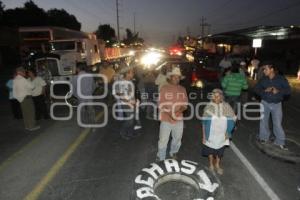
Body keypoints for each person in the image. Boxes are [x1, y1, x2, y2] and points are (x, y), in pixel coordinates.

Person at [254, 61, 291, 150]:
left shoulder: (281, 79)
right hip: (265, 103)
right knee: (263, 121)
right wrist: (264, 91)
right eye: (263, 69)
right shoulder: (263, 79)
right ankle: (264, 137)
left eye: (265, 69)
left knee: (277, 123)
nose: (264, 71)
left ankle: (280, 141)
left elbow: (288, 90)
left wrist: (279, 91)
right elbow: (256, 89)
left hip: (276, 104)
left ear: (271, 69)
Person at [156, 67, 188, 161]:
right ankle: (161, 156)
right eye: (174, 77)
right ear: (170, 77)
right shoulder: (164, 88)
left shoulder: (182, 89)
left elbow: (185, 104)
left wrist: (177, 112)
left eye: (178, 77)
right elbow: (160, 104)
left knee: (177, 138)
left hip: (178, 118)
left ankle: (173, 152)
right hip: (166, 118)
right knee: (163, 139)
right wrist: (170, 114)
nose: (176, 79)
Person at [202, 89, 236, 175]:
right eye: (214, 96)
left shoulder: (226, 106)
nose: (216, 97)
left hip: (222, 134)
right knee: (210, 150)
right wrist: (204, 136)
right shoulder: (208, 106)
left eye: (218, 96)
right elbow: (204, 123)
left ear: (221, 96)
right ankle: (211, 165)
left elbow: (233, 118)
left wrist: (228, 131)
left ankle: (217, 165)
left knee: (220, 151)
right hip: (211, 134)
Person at [113, 65, 140, 140]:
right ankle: (122, 131)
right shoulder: (120, 82)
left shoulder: (130, 81)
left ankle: (130, 133)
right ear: (127, 73)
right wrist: (128, 101)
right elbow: (119, 94)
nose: (133, 74)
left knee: (133, 118)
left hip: (132, 102)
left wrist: (135, 101)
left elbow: (132, 93)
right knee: (129, 120)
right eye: (132, 72)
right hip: (126, 104)